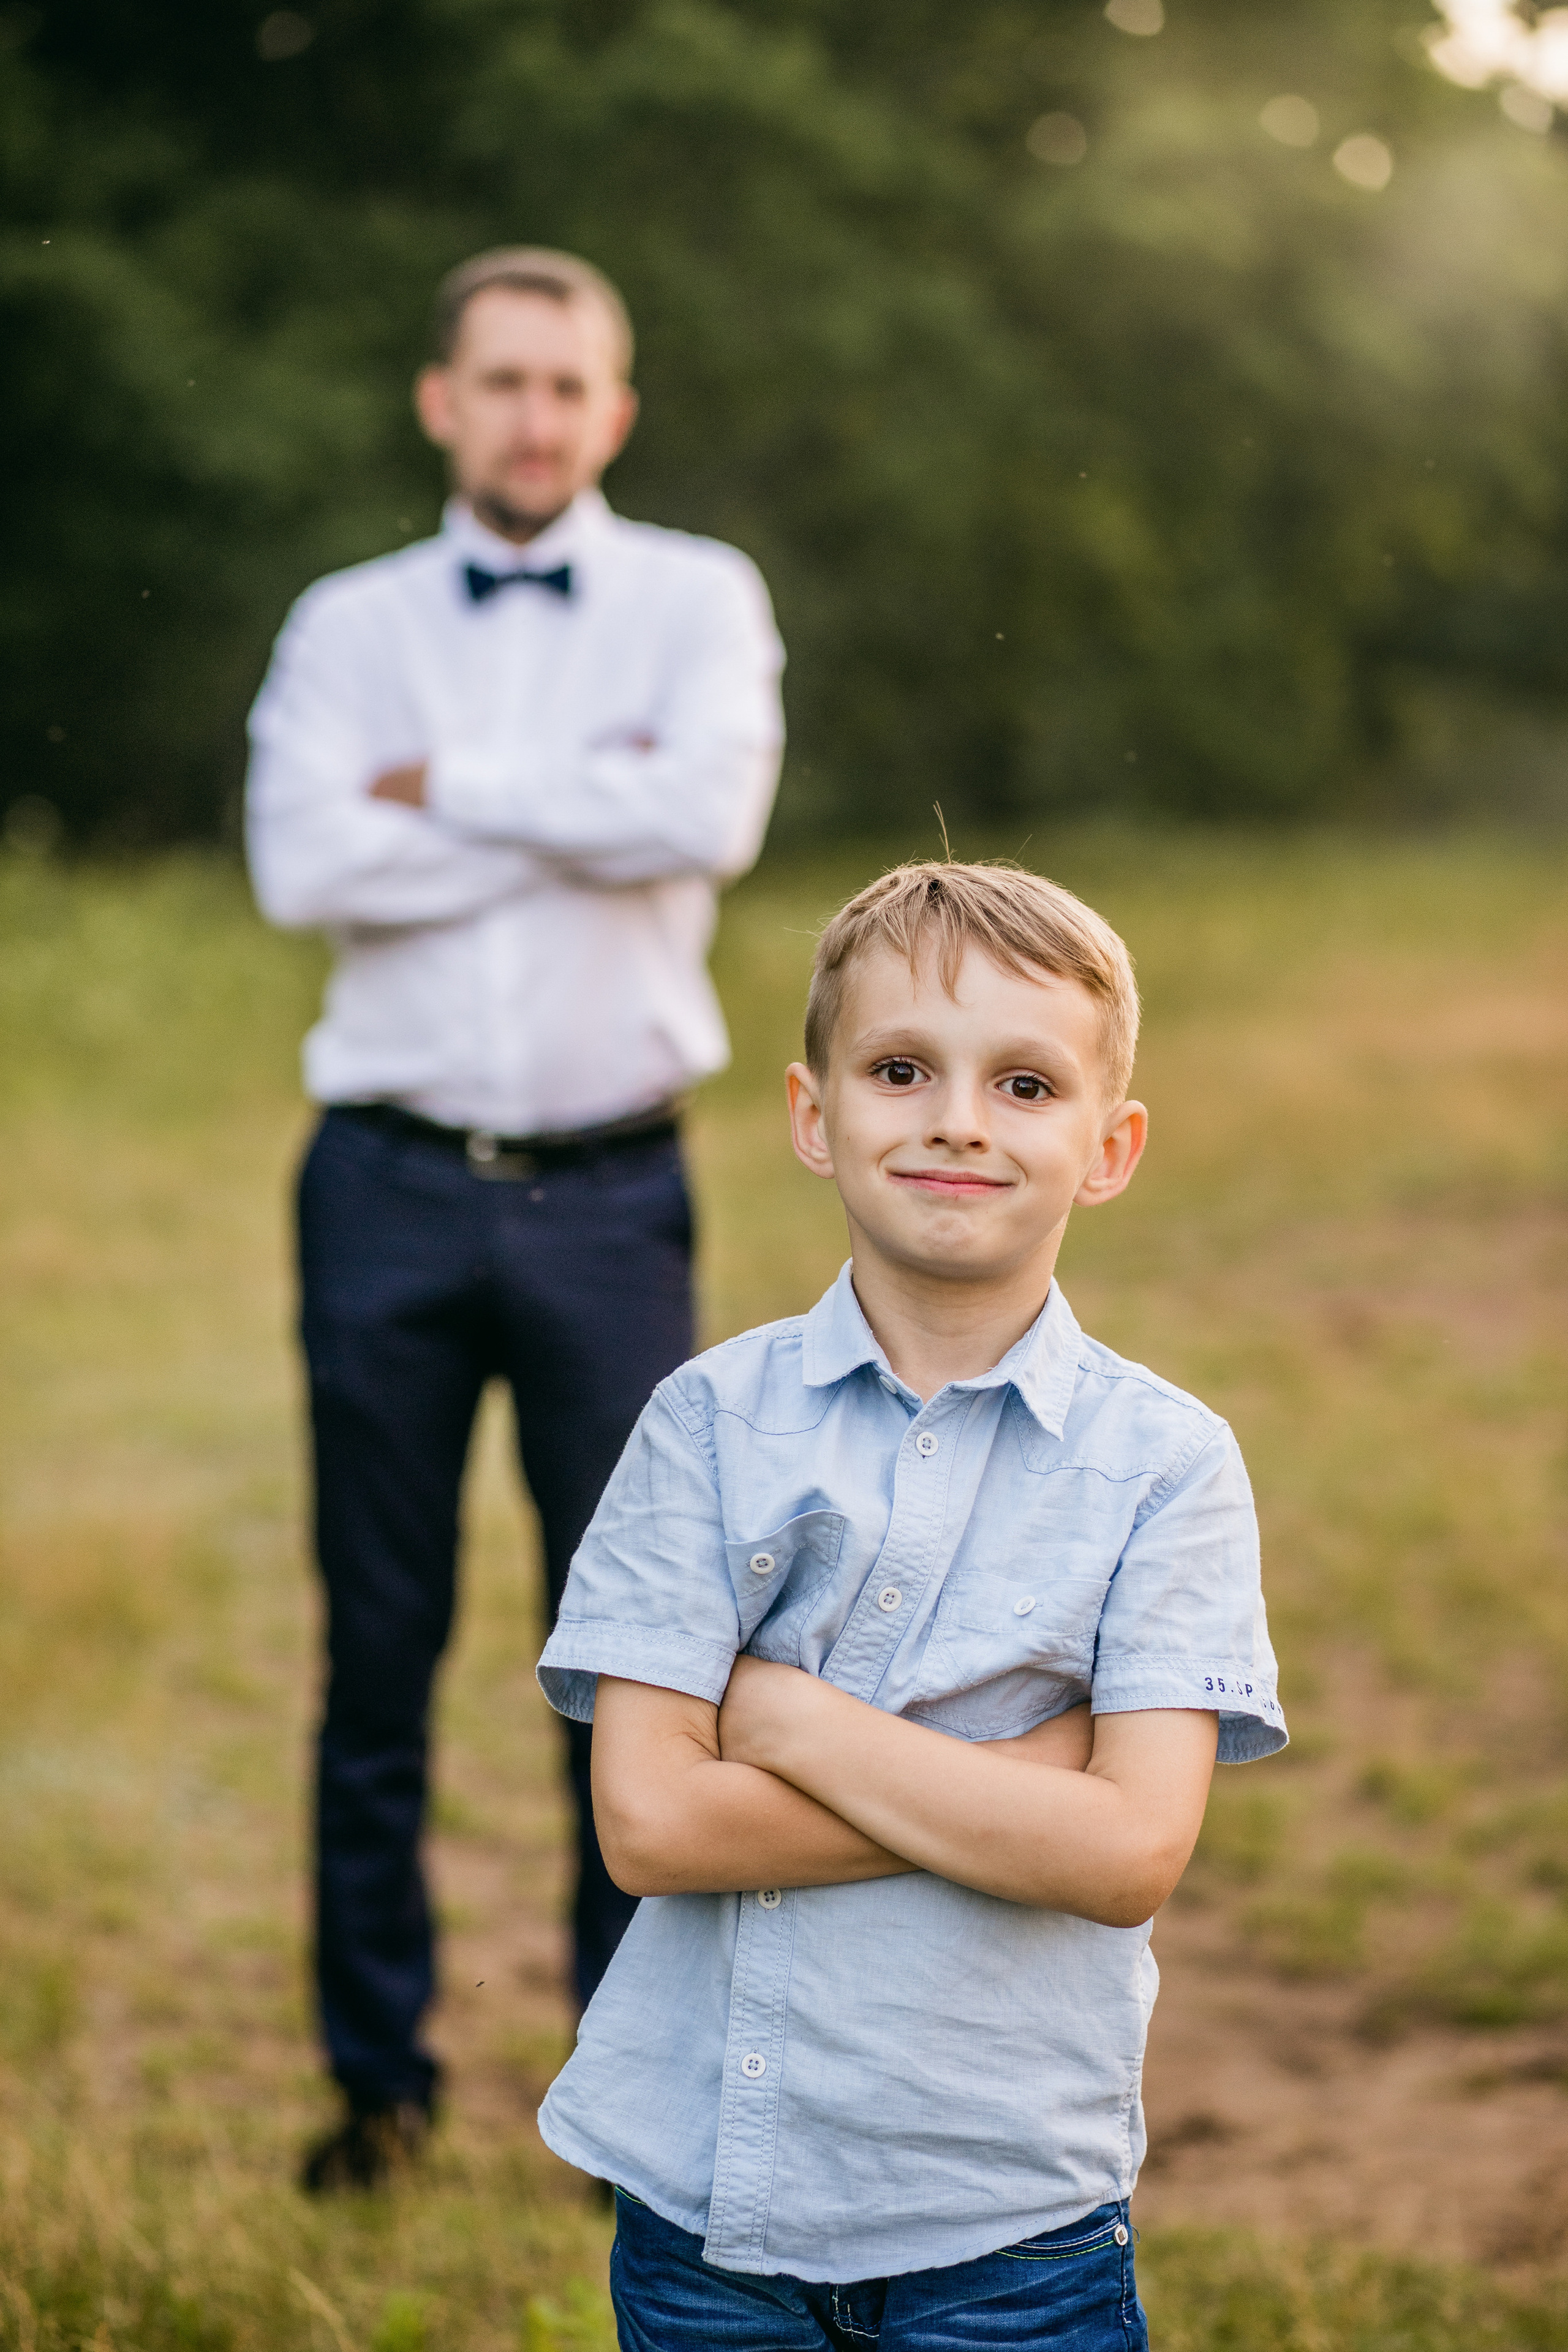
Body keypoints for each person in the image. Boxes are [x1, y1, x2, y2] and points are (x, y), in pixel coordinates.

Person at [533, 859, 1286, 2346]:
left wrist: (786, 1718)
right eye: (898, 1069)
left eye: (1022, 1084)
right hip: (707, 2212)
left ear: (1108, 1146)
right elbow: (652, 1828)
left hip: (1007, 2220)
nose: (954, 1117)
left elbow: (1130, 1850)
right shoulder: (702, 1425)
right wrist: (1019, 1787)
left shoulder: (1165, 1467)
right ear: (814, 1117)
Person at [244, 246, 785, 2193]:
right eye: (504, 381)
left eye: (570, 385)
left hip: (611, 1196)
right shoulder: (344, 622)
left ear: (614, 411)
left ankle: (623, 2097)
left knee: (634, 1654)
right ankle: (375, 2085)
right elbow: (304, 859)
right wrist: (581, 799)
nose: (537, 415)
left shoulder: (700, 600)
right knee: (375, 1647)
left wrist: (445, 791)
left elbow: (704, 822)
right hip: (380, 1187)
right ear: (440, 401)